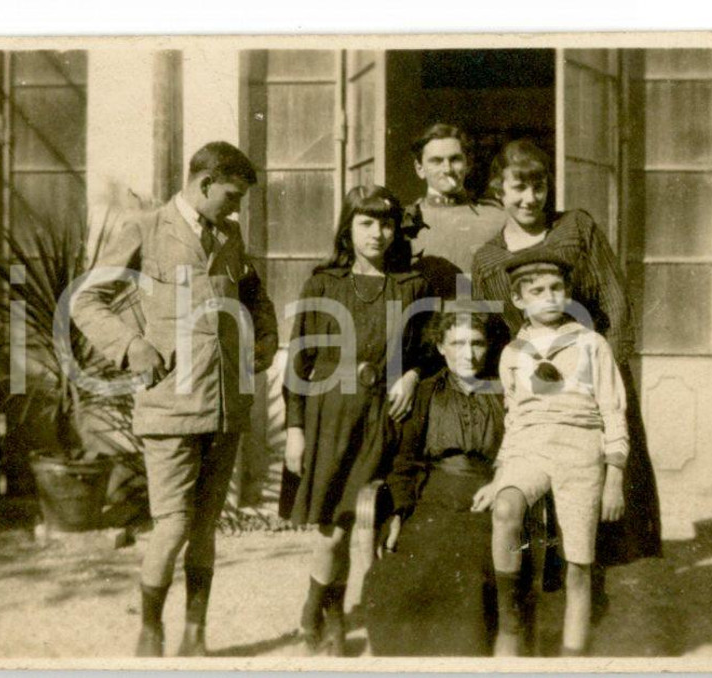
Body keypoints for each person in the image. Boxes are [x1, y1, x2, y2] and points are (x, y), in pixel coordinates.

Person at [71, 142, 278, 657]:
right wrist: (130, 346)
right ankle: (150, 629)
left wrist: (267, 339)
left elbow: (255, 295)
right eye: (230, 196)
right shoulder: (144, 228)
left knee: (205, 526)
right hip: (169, 407)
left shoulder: (229, 236)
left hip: (227, 405)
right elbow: (85, 300)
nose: (235, 209)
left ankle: (196, 634)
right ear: (205, 183)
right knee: (174, 525)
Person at [471, 139, 661, 583]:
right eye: (518, 187)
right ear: (499, 189)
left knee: (606, 481)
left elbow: (613, 299)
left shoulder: (577, 227)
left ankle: (602, 577)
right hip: (534, 388)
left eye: (538, 186)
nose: (530, 198)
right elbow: (498, 332)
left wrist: (607, 368)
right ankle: (550, 576)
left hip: (593, 372)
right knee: (535, 478)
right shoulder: (488, 259)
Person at [281, 185, 432, 656]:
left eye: (385, 223)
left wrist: (409, 374)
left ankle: (326, 615)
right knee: (331, 530)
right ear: (348, 227)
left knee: (353, 522)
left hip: (379, 415)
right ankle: (321, 610)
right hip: (328, 416)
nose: (377, 233)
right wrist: (295, 429)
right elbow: (298, 366)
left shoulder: (412, 286)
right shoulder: (322, 284)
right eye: (366, 222)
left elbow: (429, 350)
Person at [473, 251, 629, 656]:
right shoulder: (512, 353)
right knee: (506, 508)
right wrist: (501, 473)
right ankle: (510, 626)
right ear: (519, 299)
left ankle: (572, 655)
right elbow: (514, 418)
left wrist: (615, 475)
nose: (550, 297)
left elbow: (613, 410)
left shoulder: (591, 344)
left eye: (557, 288)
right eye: (538, 290)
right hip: (530, 447)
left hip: (581, 450)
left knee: (579, 563)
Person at [361, 311, 503, 656]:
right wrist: (397, 512)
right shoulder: (425, 393)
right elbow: (405, 461)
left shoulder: (504, 392)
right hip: (433, 496)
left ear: (489, 348)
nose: (468, 354)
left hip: (489, 496)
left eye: (477, 343)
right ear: (441, 347)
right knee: (404, 572)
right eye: (457, 343)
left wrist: (503, 484)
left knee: (469, 570)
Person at [403, 123, 505, 300]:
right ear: (420, 169)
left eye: (455, 159)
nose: (447, 169)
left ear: (468, 164)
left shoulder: (497, 218)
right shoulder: (403, 221)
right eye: (436, 161)